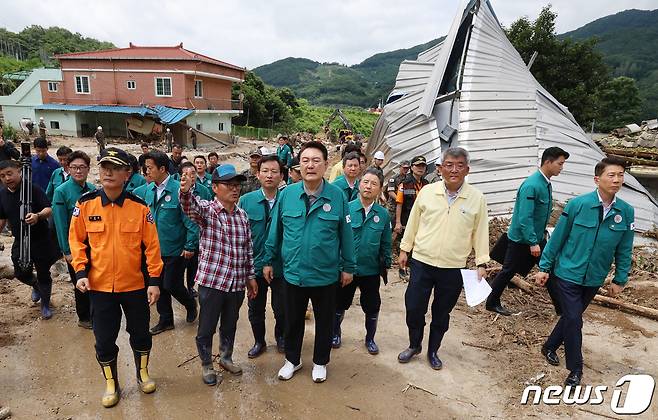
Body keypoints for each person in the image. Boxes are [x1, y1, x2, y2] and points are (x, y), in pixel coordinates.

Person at [69, 147, 163, 408]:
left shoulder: (140, 207)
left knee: (141, 334)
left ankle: (142, 373)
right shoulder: (85, 205)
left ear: (127, 173)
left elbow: (152, 246)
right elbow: (76, 241)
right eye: (104, 167)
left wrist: (154, 281)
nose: (108, 172)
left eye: (115, 167)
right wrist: (80, 272)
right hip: (99, 287)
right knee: (104, 338)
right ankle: (111, 383)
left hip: (134, 285)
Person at [535, 157, 634, 387]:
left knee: (572, 317)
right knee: (574, 318)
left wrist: (620, 279)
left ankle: (549, 346)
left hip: (594, 277)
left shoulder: (626, 212)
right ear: (597, 179)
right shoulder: (578, 205)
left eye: (620, 175)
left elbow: (624, 248)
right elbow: (557, 238)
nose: (617, 179)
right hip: (568, 272)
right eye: (612, 175)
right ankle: (575, 369)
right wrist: (544, 267)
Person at [264, 140, 356, 383]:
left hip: (325, 274)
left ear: (326, 164)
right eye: (305, 160)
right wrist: (269, 260)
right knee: (292, 320)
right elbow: (276, 230)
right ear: (298, 166)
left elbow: (346, 234)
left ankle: (320, 362)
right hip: (293, 272)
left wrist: (348, 266)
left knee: (324, 322)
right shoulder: (288, 195)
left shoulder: (337, 196)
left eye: (316, 161)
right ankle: (293, 360)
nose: (310, 165)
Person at [397, 148, 489, 370]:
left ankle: (433, 350)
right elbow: (413, 223)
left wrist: (481, 262)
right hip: (422, 261)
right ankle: (415, 344)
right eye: (448, 165)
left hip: (453, 267)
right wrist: (404, 248)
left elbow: (480, 231)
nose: (453, 170)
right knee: (414, 306)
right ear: (440, 168)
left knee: (442, 312)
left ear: (467, 169)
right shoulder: (427, 192)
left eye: (459, 165)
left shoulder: (476, 198)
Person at [179, 163, 257, 386]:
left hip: (235, 284)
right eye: (229, 185)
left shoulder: (242, 216)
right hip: (213, 283)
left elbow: (247, 249)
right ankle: (206, 364)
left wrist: (250, 277)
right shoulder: (209, 211)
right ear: (215, 187)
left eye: (237, 185)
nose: (235, 189)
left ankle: (225, 357)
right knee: (207, 326)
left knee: (230, 324)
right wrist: (185, 191)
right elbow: (190, 207)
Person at [486, 147, 570, 316]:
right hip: (522, 239)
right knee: (508, 271)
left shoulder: (545, 183)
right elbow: (525, 217)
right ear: (548, 162)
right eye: (560, 164)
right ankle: (491, 302)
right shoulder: (532, 185)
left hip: (535, 237)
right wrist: (533, 242)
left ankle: (562, 309)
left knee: (549, 269)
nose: (562, 167)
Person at [133, 151, 198, 335]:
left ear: (162, 168)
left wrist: (190, 245)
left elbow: (191, 220)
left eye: (150, 167)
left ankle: (190, 303)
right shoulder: (146, 191)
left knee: (171, 284)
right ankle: (166, 319)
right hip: (153, 251)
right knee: (158, 285)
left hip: (176, 249)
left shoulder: (180, 190)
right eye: (146, 167)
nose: (147, 171)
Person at [332, 168, 391, 354]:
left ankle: (370, 339)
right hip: (346, 269)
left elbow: (386, 243)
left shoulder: (383, 215)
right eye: (366, 182)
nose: (369, 186)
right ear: (359, 184)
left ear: (380, 189)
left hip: (370, 270)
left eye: (374, 184)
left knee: (372, 307)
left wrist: (386, 263)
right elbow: (335, 239)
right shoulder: (346, 208)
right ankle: (335, 333)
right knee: (339, 304)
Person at [238, 155, 286, 358]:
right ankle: (259, 341)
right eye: (265, 171)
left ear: (281, 176)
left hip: (281, 266)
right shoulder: (246, 201)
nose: (269, 175)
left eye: (274, 171)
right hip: (255, 266)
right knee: (255, 308)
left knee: (282, 308)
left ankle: (281, 338)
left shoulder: (289, 200)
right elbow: (240, 236)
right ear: (257, 174)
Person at [0, 159, 60, 319]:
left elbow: (49, 209)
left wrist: (37, 216)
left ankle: (45, 305)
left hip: (40, 239)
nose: (7, 178)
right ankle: (35, 285)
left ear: (19, 171)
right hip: (20, 240)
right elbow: (2, 218)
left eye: (9, 173)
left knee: (43, 273)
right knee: (20, 273)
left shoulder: (32, 189)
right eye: (2, 176)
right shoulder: (2, 194)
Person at [52, 150, 95, 328]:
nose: (78, 171)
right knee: (81, 281)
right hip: (74, 246)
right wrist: (67, 251)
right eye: (74, 167)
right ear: (68, 169)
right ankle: (84, 317)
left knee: (95, 279)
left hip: (93, 244)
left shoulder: (93, 190)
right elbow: (60, 224)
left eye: (82, 167)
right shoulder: (61, 192)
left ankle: (95, 313)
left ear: (88, 169)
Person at [179, 161, 212, 297]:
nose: (190, 176)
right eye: (186, 174)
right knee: (180, 267)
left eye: (193, 173)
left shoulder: (203, 190)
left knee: (194, 264)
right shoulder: (178, 191)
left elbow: (209, 210)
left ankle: (191, 286)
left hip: (199, 235)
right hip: (181, 235)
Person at [394, 156, 428, 279]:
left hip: (422, 221)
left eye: (423, 166)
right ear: (412, 168)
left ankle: (413, 268)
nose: (420, 168)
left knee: (418, 245)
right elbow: (399, 204)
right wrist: (398, 222)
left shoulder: (426, 184)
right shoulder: (404, 184)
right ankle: (402, 269)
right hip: (406, 220)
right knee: (404, 244)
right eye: (417, 166)